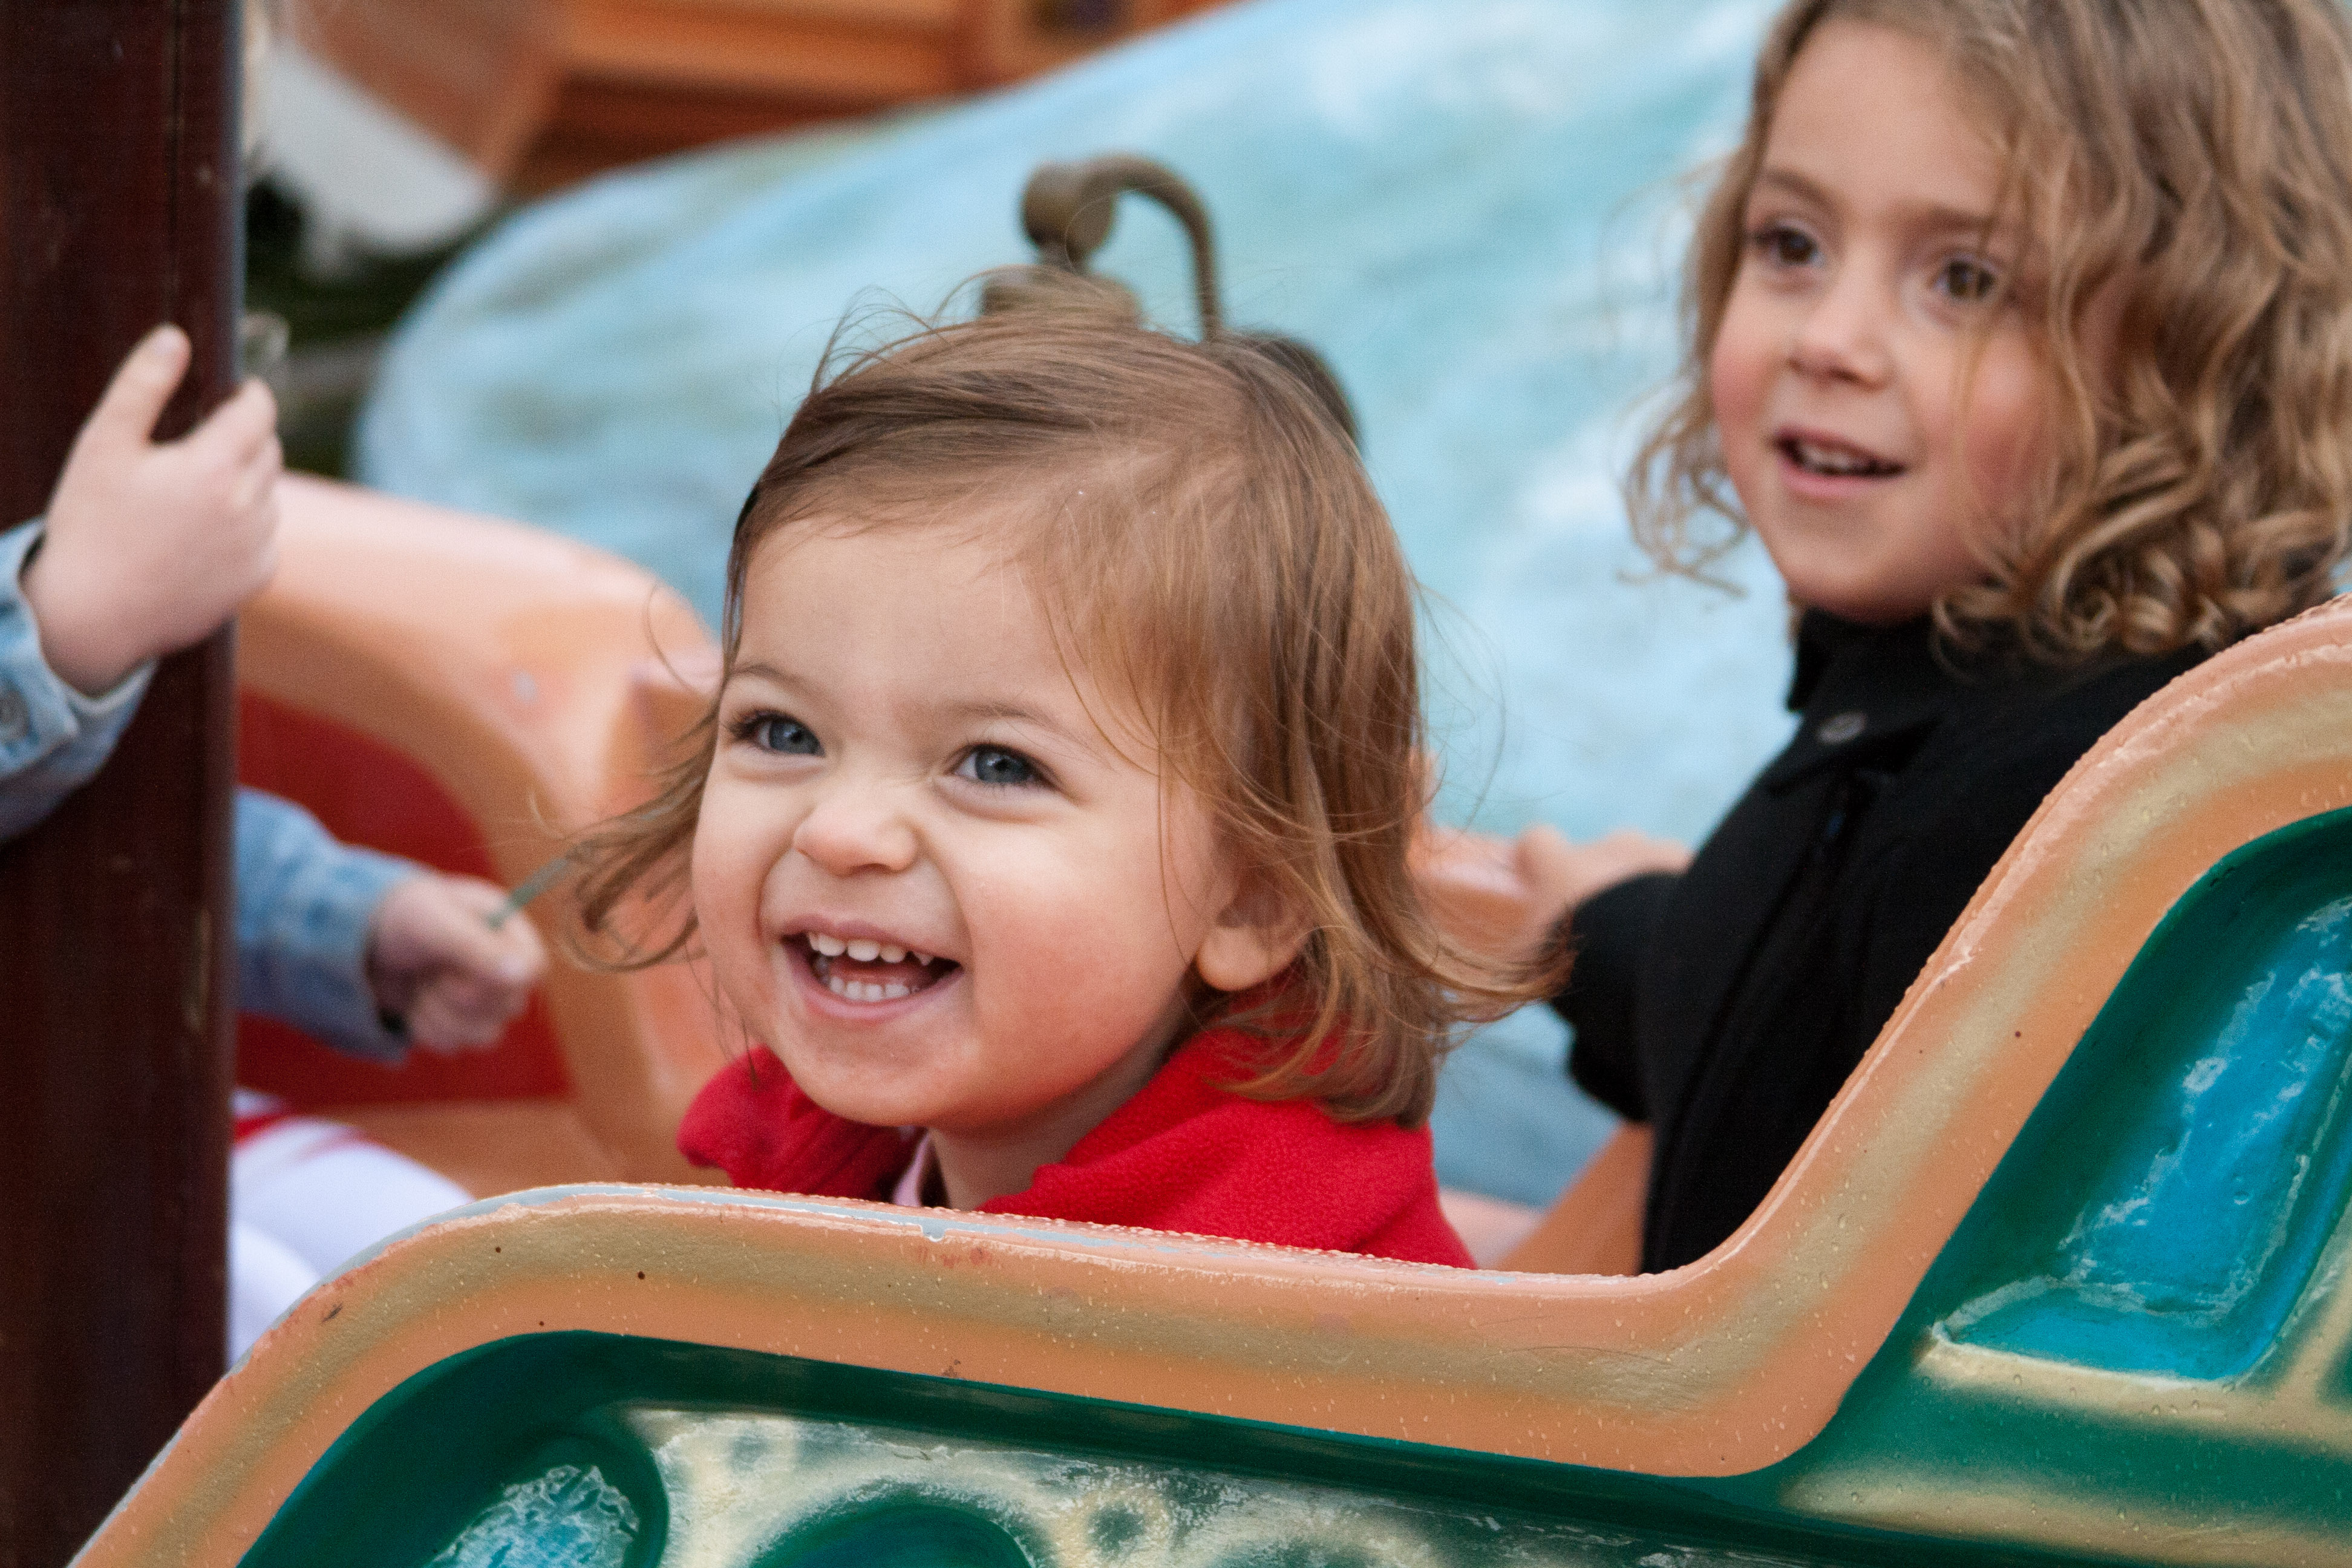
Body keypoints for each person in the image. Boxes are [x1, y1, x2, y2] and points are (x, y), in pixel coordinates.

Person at [1422, 0, 2352, 1275]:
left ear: (2195, 350)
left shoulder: (2028, 823)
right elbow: (1803, 1048)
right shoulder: (2033, 715)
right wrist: (1602, 926)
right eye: (1792, 245)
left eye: (1965, 281)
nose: (1829, 340)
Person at [573, 296, 1556, 1266]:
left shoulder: (1288, 1318)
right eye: (783, 731)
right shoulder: (825, 1162)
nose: (840, 831)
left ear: (1256, 894)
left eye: (997, 765)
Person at [3, 323, 549, 1350]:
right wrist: (65, 627)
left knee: (475, 1278)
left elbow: (111, 835)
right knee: (249, 1326)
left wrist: (352, 923)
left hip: (91, 1081)